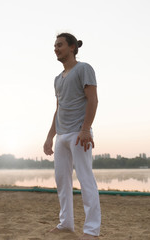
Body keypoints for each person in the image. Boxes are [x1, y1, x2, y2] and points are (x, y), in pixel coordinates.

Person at [43, 33, 101, 239]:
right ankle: (66, 223)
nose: (56, 49)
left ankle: (92, 230)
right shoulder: (58, 79)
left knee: (86, 180)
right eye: (54, 46)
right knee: (62, 181)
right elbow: (58, 108)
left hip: (79, 133)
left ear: (72, 47)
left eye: (60, 45)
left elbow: (93, 100)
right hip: (62, 136)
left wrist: (86, 129)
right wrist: (50, 136)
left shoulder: (84, 69)